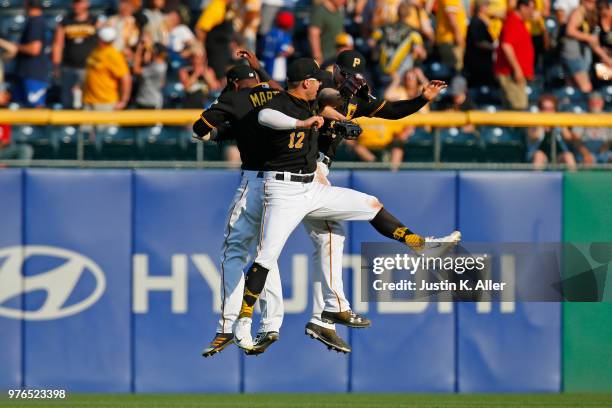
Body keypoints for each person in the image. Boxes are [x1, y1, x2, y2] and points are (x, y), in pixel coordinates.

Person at [232, 58, 460, 350]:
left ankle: (327, 316)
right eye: (345, 73)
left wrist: (421, 99)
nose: (349, 78)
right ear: (334, 71)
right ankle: (268, 319)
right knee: (287, 249)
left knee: (348, 223)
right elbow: (313, 102)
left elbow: (390, 111)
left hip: (314, 175)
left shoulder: (352, 98)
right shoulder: (319, 89)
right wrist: (338, 114)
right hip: (297, 176)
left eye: (355, 74)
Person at [193, 52, 360, 356]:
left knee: (234, 253)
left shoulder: (236, 99)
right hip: (285, 183)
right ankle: (271, 323)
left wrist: (223, 105)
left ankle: (228, 325)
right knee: (265, 256)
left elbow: (200, 130)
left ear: (234, 83)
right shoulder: (280, 96)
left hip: (254, 182)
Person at [52, 0, 99, 109]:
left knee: (87, 101)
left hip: (88, 68)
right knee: (67, 100)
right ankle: (68, 125)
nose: (76, 5)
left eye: (79, 2)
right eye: (74, 2)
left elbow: (100, 45)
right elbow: (58, 45)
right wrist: (56, 66)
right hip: (69, 67)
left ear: (87, 3)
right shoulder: (65, 21)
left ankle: (85, 125)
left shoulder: (94, 20)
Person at [561, 0, 612, 93]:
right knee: (586, 88)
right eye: (590, 2)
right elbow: (569, 30)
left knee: (573, 88)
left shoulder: (590, 16)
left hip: (584, 56)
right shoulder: (579, 12)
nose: (592, 5)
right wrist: (589, 37)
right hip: (573, 54)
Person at [494, 0, 536, 110]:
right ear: (522, 7)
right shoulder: (513, 21)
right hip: (510, 74)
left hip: (515, 74)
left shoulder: (519, 22)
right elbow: (506, 46)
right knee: (519, 109)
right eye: (530, 9)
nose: (532, 12)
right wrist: (517, 69)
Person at [371, 1, 427, 76]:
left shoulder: (384, 28)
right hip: (401, 75)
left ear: (397, 13)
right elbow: (422, 54)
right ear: (409, 14)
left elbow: (371, 42)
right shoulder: (413, 33)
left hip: (381, 73)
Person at [83, 27, 132, 111]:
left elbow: (126, 78)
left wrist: (124, 101)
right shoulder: (96, 50)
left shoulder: (113, 55)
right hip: (89, 100)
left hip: (105, 102)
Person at [13, 0, 49, 108]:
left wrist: (15, 46)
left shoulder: (36, 22)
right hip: (30, 73)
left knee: (35, 110)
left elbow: (34, 49)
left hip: (33, 74)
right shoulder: (37, 21)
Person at [527, 94, 577, 169]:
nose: (547, 112)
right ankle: (536, 180)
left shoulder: (559, 122)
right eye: (544, 108)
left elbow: (569, 138)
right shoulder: (534, 122)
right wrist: (541, 123)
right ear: (540, 110)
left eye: (551, 109)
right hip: (541, 156)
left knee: (568, 156)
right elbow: (534, 137)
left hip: (558, 157)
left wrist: (560, 124)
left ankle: (574, 179)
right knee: (538, 155)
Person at [195, 0, 236, 84]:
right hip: (215, 51)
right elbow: (201, 29)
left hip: (225, 50)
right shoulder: (216, 6)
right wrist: (202, 49)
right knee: (218, 79)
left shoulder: (229, 6)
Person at [570, 92, 611, 164]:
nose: (595, 104)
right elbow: (575, 138)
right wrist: (586, 154)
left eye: (598, 101)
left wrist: (602, 151)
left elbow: (610, 140)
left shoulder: (608, 117)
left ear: (602, 103)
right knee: (587, 160)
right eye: (593, 101)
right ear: (589, 103)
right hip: (584, 152)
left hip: (604, 151)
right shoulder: (582, 116)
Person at [464, 0, 496, 88]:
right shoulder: (476, 22)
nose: (488, 8)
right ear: (481, 8)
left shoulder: (482, 22)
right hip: (477, 64)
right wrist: (495, 47)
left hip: (482, 62)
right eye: (487, 6)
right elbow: (479, 41)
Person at [260, 10, 295, 84]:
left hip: (264, 67)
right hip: (277, 72)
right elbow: (287, 51)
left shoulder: (269, 33)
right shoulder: (284, 35)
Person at [309, 0, 346, 65]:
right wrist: (317, 57)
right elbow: (314, 34)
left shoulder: (339, 11)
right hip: (325, 59)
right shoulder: (320, 12)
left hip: (336, 58)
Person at [434, 0, 468, 72]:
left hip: (450, 39)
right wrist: (459, 37)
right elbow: (452, 19)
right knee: (455, 70)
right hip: (451, 40)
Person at [133, 41, 167, 109]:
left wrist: (139, 51)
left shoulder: (157, 67)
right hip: (146, 100)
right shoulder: (160, 64)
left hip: (150, 102)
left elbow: (136, 70)